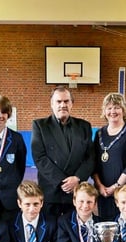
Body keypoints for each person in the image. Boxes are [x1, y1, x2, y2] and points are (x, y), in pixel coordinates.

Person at [31, 86, 95, 217]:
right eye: (58, 102)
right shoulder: (40, 126)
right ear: (52, 104)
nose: (63, 105)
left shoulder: (84, 126)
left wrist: (77, 178)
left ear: (72, 103)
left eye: (66, 101)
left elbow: (90, 157)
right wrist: (63, 181)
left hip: (76, 192)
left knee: (74, 232)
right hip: (51, 191)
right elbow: (40, 158)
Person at [91, 93, 126, 220]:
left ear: (123, 110)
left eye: (117, 107)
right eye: (109, 108)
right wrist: (99, 186)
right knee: (106, 227)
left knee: (124, 226)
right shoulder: (99, 133)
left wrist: (116, 186)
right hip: (103, 192)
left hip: (124, 191)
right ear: (104, 111)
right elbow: (93, 162)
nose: (113, 111)